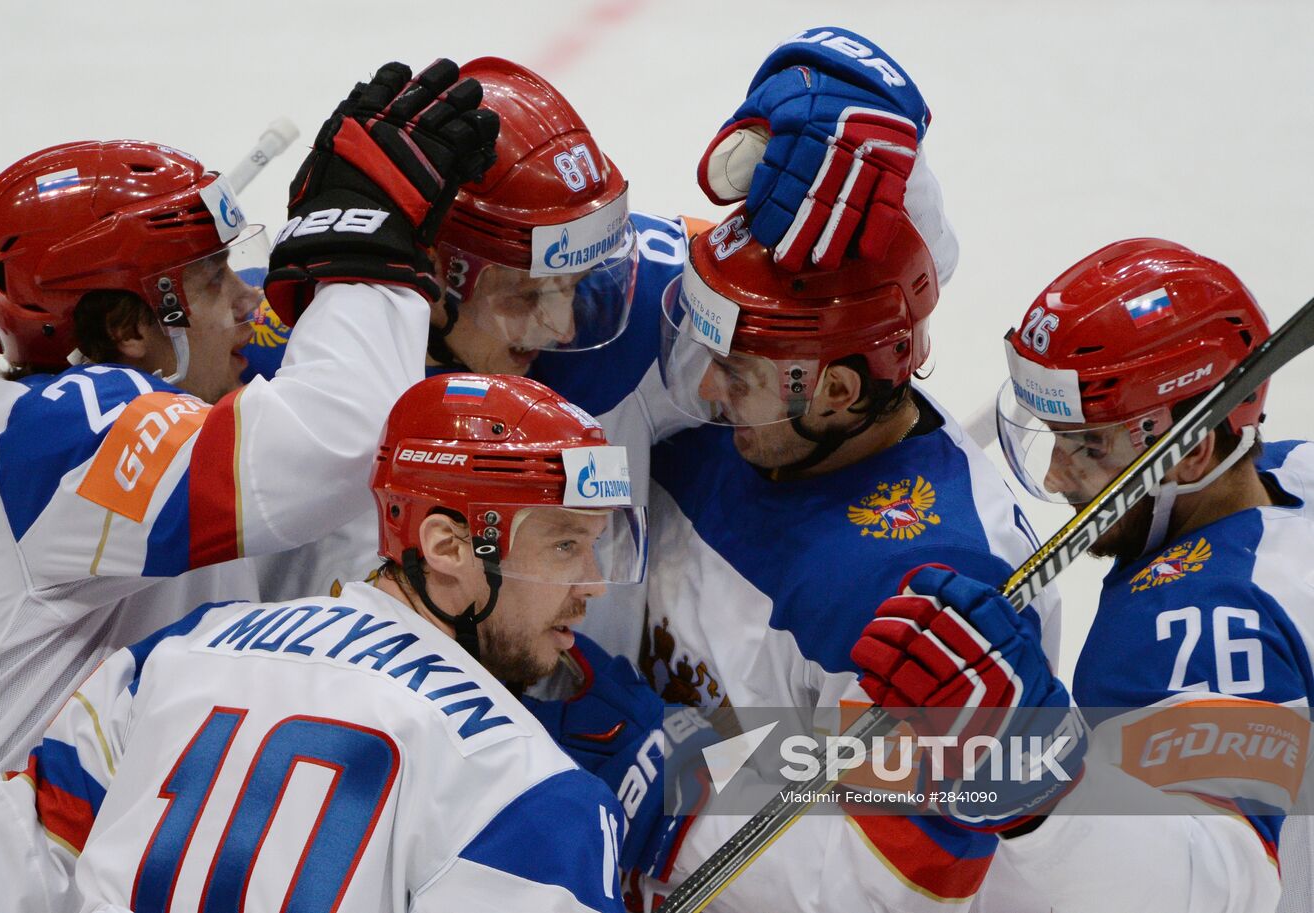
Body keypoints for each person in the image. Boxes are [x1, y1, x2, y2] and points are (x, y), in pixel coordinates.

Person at [0, 59, 498, 830]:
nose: (249, 300)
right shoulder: (71, 431)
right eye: (215, 278)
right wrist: (367, 232)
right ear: (126, 328)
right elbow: (337, 441)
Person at [253, 32, 962, 667]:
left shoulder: (635, 308)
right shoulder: (278, 351)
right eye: (529, 295)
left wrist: (877, 123)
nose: (564, 327)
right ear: (436, 271)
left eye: (576, 282)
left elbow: (865, 295)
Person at [0, 373, 647, 913]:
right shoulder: (532, 791)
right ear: (447, 545)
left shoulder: (175, 654)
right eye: (563, 545)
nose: (592, 583)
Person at [591, 200, 1057, 911]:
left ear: (837, 391)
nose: (705, 391)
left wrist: (660, 784)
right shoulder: (731, 423)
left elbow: (883, 893)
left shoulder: (924, 584)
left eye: (739, 374)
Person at [855, 238, 1312, 912]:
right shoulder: (1295, 471)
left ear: (1192, 453)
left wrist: (1040, 786)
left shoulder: (1186, 626)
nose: (1053, 475)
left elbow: (1215, 884)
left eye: (1089, 446)